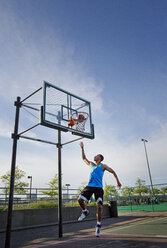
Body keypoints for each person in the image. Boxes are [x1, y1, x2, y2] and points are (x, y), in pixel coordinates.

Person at [78, 142, 122, 237]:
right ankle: (85, 212)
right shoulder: (91, 164)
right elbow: (83, 158)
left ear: (100, 158)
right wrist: (82, 148)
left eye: (96, 155)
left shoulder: (103, 166)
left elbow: (113, 171)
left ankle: (98, 225)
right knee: (79, 199)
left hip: (98, 188)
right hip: (90, 186)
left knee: (100, 206)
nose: (94, 156)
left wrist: (117, 181)